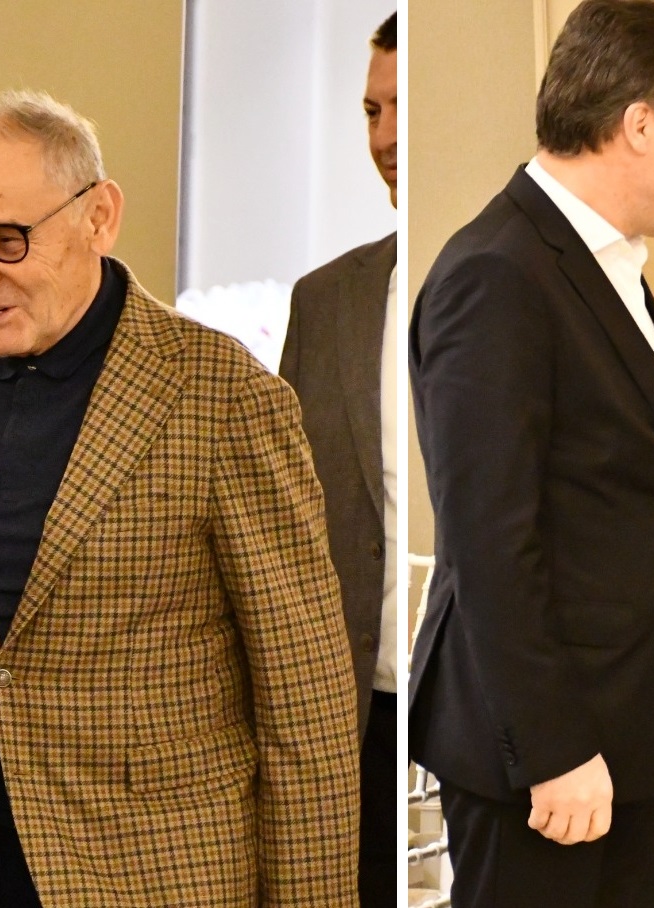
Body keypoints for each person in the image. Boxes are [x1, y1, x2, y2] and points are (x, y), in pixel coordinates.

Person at [0, 90, 358, 906]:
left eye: (7, 240)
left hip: (162, 876)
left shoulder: (224, 394)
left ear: (99, 218)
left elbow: (303, 692)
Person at [405, 1, 654, 904]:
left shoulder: (610, 263)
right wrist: (553, 750)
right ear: (639, 125)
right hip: (550, 761)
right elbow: (489, 541)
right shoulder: (496, 273)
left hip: (630, 736)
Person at [279, 12, 400, 906]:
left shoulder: (526, 284)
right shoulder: (324, 303)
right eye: (369, 111)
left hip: (503, 721)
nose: (384, 138)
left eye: (402, 108)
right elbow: (288, 530)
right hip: (355, 727)